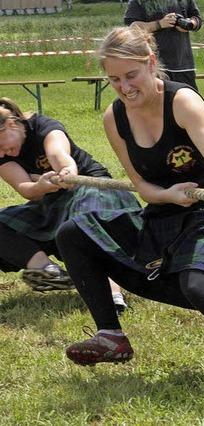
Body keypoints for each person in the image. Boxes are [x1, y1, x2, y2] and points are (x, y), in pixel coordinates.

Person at [56, 27, 204, 402]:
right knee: (73, 232)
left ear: (151, 63)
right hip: (160, 216)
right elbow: (141, 185)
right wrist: (167, 194)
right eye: (114, 79)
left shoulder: (182, 101)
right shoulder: (114, 117)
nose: (124, 87)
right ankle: (111, 336)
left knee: (197, 285)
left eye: (131, 75)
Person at [0, 97, 135, 312]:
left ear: (11, 125)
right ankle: (47, 271)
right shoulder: (3, 153)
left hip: (97, 192)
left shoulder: (44, 127)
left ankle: (112, 295)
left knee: (82, 221)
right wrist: (42, 187)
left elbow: (58, 153)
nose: (0, 153)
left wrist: (67, 171)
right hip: (52, 203)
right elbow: (24, 187)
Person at [124, 0, 202, 91]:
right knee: (157, 103)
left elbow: (197, 19)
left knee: (189, 102)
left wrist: (190, 24)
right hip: (154, 66)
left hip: (183, 65)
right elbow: (133, 28)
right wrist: (159, 24)